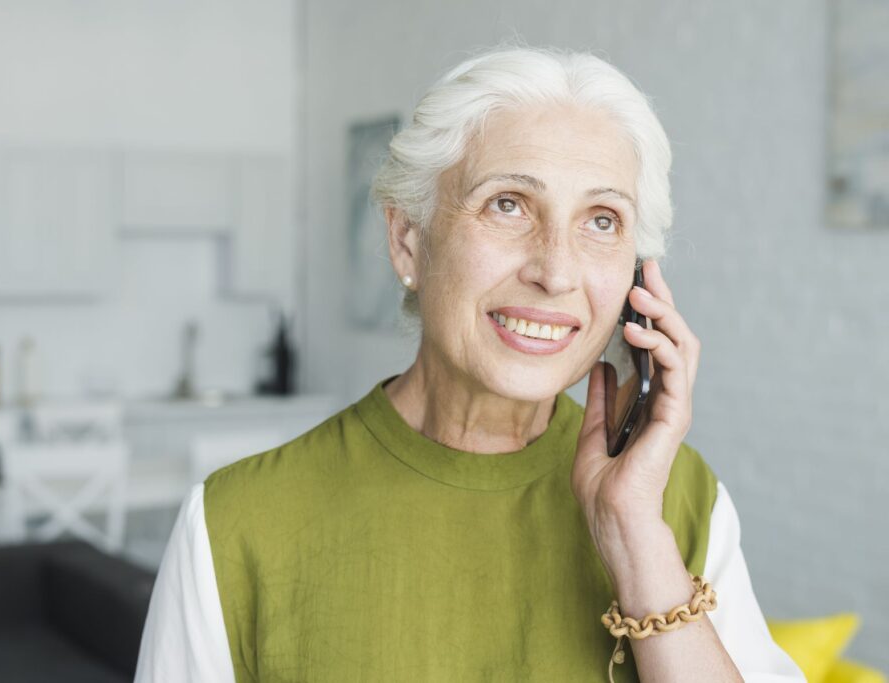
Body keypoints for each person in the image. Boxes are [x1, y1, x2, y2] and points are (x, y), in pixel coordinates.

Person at [135, 44, 806, 682]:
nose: (556, 270)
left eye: (601, 220)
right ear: (408, 240)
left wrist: (635, 538)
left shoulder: (680, 498)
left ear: (638, 277)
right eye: (508, 204)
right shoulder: (237, 523)